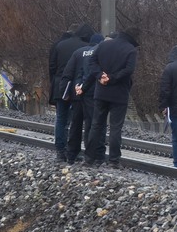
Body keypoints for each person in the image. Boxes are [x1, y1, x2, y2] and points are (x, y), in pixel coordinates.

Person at [84, 27, 140, 167]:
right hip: (119, 94)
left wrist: (100, 75)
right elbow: (128, 70)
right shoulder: (130, 50)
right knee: (115, 128)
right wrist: (112, 78)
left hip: (101, 91)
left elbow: (92, 62)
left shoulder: (103, 45)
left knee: (96, 125)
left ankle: (89, 158)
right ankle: (114, 160)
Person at [48, 23, 94, 161]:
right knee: (75, 120)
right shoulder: (84, 49)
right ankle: (72, 150)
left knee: (61, 119)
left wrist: (55, 84)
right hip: (77, 86)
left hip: (59, 84)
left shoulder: (58, 45)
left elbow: (52, 67)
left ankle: (60, 150)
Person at [61, 33, 103, 163]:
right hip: (92, 93)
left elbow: (69, 72)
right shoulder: (98, 52)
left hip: (77, 93)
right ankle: (93, 154)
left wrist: (70, 90)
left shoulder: (78, 53)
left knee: (76, 123)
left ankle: (72, 153)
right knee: (92, 124)